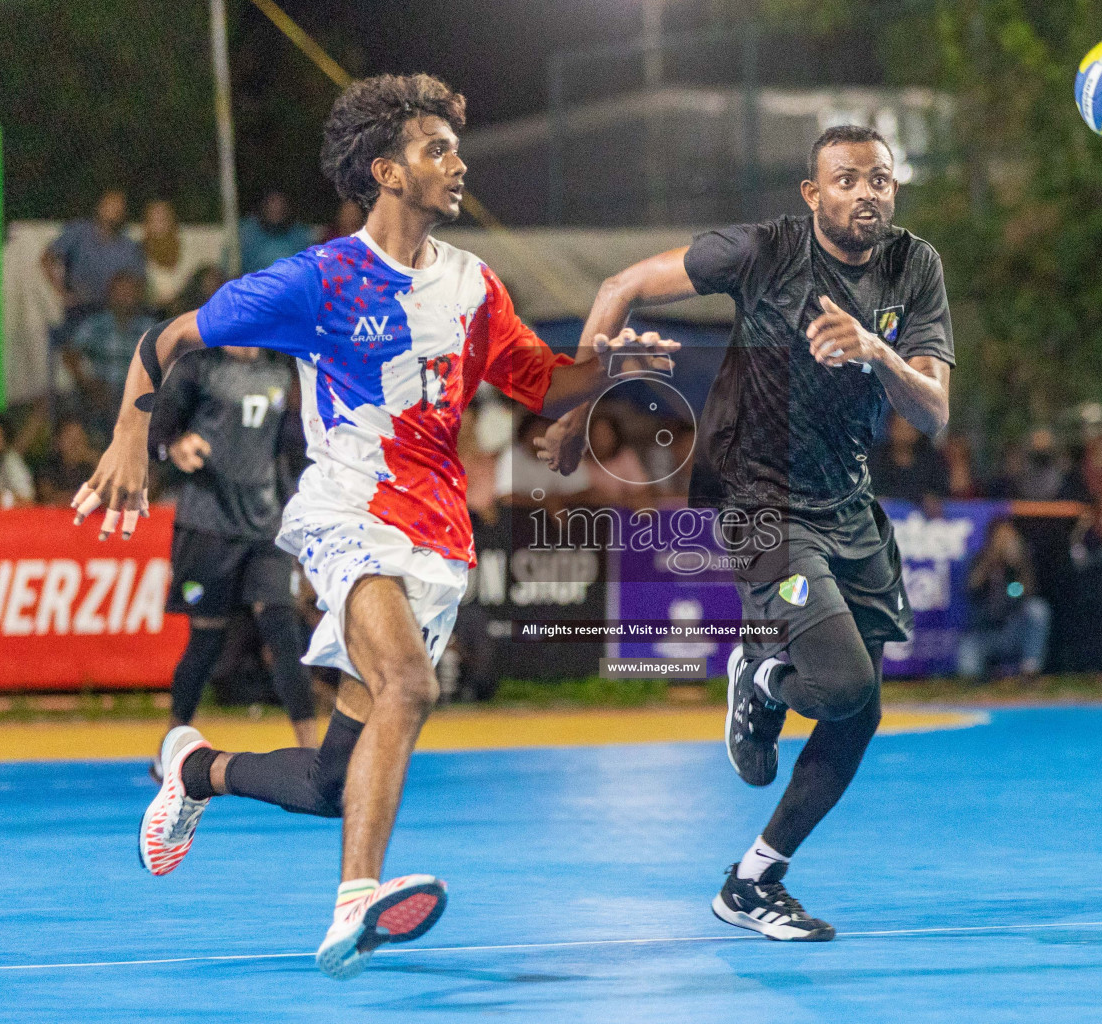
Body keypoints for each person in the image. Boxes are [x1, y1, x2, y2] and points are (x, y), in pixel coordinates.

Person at [70, 72, 675, 979]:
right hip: (346, 509)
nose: (457, 162)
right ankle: (355, 898)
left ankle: (191, 768)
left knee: (327, 784)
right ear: (386, 172)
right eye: (439, 150)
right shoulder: (321, 278)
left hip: (435, 539)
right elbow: (169, 340)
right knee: (411, 685)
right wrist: (130, 434)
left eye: (453, 147)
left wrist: (607, 362)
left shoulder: (473, 286)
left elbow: (543, 382)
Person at [540, 124, 952, 941]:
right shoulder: (762, 252)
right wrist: (577, 402)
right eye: (845, 179)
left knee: (859, 711)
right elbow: (622, 285)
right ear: (813, 194)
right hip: (760, 502)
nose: (865, 192)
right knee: (836, 685)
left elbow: (933, 412)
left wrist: (876, 352)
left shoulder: (916, 267)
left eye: (879, 179)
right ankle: (762, 675)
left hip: (848, 506)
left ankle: (753, 882)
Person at [147, 343, 318, 767]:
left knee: (282, 629)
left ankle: (313, 752)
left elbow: (287, 453)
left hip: (265, 524)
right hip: (208, 523)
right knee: (206, 639)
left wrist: (296, 519)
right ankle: (170, 745)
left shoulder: (281, 374)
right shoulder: (197, 368)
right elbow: (158, 432)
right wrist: (174, 447)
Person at [67, 271, 158, 439]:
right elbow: (70, 353)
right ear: (110, 295)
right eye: (120, 292)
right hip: (102, 391)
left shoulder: (149, 327)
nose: (125, 297)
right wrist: (87, 382)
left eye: (130, 292)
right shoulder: (96, 324)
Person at [41, 189, 146, 332]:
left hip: (113, 314)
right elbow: (47, 258)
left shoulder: (129, 245)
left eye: (119, 207)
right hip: (80, 309)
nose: (115, 210)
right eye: (111, 205)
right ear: (100, 207)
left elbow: (139, 281)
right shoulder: (79, 232)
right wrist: (62, 292)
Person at [957, 519, 1050, 679]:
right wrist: (990, 562)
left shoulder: (1021, 563)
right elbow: (971, 588)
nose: (1005, 542)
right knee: (968, 669)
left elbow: (1028, 593)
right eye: (1001, 537)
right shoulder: (979, 560)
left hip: (1013, 630)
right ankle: (990, 675)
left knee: (1038, 608)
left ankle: (1030, 670)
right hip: (986, 634)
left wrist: (1016, 565)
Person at [140, 200, 204, 313]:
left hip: (188, 309)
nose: (159, 225)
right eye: (154, 220)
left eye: (163, 219)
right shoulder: (138, 253)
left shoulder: (188, 247)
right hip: (152, 313)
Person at [239, 191, 314, 275]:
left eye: (280, 206)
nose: (275, 209)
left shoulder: (298, 233)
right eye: (271, 205)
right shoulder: (248, 232)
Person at [34, 418, 100, 505]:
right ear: (58, 441)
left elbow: (108, 493)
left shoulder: (90, 465)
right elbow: (48, 498)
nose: (75, 443)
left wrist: (93, 459)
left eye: (79, 437)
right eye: (69, 437)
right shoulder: (47, 467)